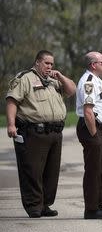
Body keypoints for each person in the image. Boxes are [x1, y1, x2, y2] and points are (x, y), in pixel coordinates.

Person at [5, 50, 76, 218]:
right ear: (37, 62)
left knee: (51, 172)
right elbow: (12, 100)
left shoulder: (53, 80)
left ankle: (45, 205)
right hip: (33, 132)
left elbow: (72, 90)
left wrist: (60, 76)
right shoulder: (25, 78)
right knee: (32, 170)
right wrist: (11, 124)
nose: (50, 66)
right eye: (46, 63)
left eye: (52, 63)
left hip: (54, 132)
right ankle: (33, 206)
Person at [76, 51, 102, 220]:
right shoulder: (88, 82)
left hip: (101, 130)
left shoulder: (97, 80)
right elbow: (88, 111)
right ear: (93, 65)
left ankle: (98, 204)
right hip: (92, 128)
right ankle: (91, 209)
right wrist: (94, 135)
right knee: (93, 169)